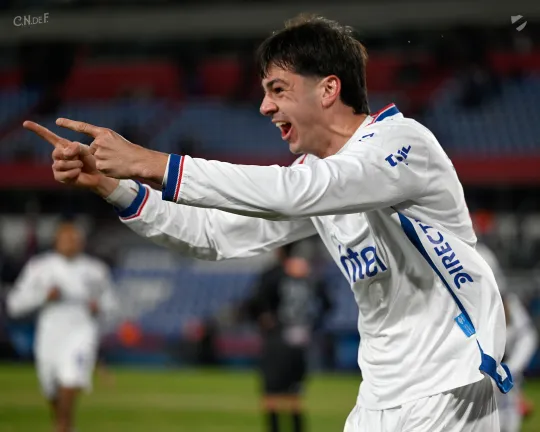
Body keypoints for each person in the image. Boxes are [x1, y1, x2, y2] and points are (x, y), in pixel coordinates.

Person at [24, 14, 512, 432]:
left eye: (278, 89)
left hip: (451, 383)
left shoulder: (402, 144)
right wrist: (113, 187)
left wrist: (153, 163)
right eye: (264, 93)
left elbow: (296, 191)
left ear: (329, 89)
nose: (265, 107)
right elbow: (211, 235)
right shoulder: (318, 178)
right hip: (380, 395)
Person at [6, 221, 118, 432]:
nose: (70, 244)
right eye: (66, 239)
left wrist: (99, 307)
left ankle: (62, 427)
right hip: (50, 334)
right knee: (50, 387)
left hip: (82, 331)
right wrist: (43, 297)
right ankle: (66, 426)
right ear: (56, 241)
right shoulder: (39, 267)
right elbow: (14, 305)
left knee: (71, 378)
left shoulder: (95, 270)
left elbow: (112, 304)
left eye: (75, 239)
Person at [237, 241, 331, 432]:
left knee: (272, 392)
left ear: (280, 250)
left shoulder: (274, 274)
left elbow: (255, 303)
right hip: (301, 339)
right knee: (294, 393)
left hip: (278, 338)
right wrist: (313, 325)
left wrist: (264, 319)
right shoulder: (309, 273)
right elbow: (327, 304)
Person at [476, 243, 538, 432]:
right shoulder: (459, 308)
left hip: (505, 389)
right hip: (474, 386)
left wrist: (511, 368)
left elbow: (527, 337)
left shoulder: (508, 303)